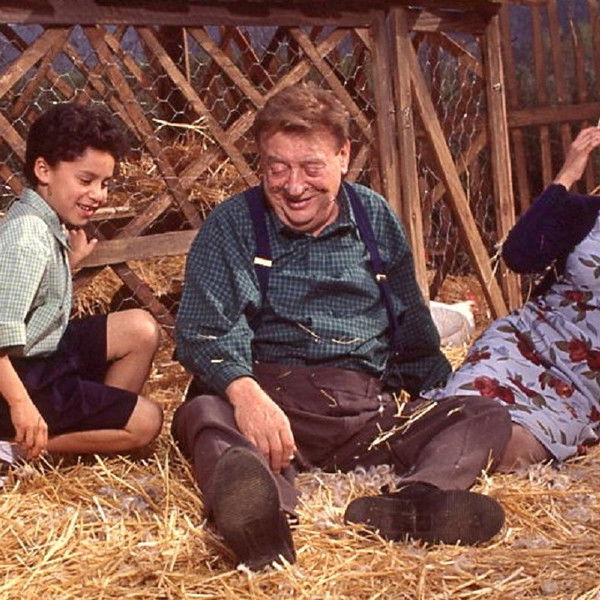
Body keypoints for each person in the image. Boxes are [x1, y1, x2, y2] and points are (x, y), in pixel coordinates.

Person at [173, 82, 512, 571]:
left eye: (311, 167)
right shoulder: (233, 224)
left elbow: (412, 326)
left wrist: (437, 395)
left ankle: (415, 503)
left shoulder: (374, 218)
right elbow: (202, 331)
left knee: (484, 414)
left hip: (364, 417)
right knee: (205, 413)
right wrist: (246, 397)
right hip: (269, 414)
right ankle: (262, 522)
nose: (294, 186)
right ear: (261, 162)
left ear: (343, 156)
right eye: (277, 168)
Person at [426, 126, 600, 470]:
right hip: (523, 343)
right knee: (459, 412)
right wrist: (566, 176)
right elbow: (519, 255)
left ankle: (432, 486)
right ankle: (420, 486)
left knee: (509, 447)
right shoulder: (588, 214)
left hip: (581, 386)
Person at [0, 102, 163, 463]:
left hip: (44, 353)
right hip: (15, 378)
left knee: (141, 328)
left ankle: (93, 424)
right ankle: (14, 448)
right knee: (147, 421)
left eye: (105, 184)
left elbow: (29, 293)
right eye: (86, 181)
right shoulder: (27, 237)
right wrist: (21, 405)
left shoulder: (41, 220)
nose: (99, 195)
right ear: (43, 170)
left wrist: (67, 263)